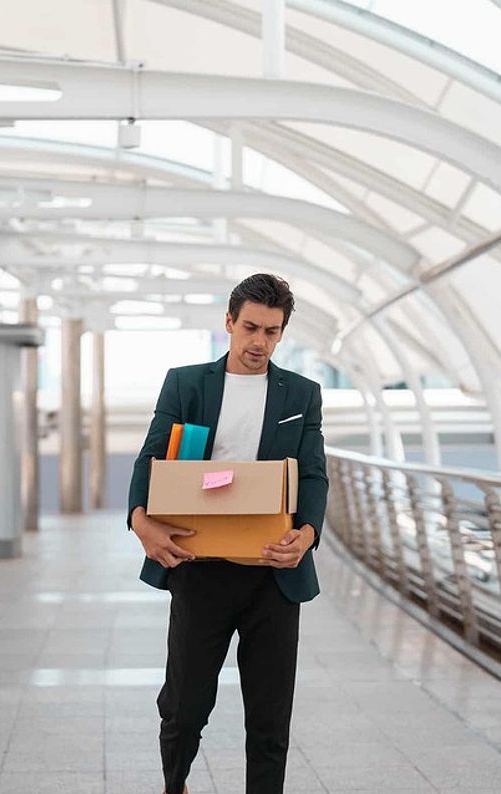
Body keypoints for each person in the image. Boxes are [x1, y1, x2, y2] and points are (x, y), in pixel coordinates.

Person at [127, 273, 328, 794]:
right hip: (201, 569)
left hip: (273, 575)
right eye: (251, 328)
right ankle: (176, 784)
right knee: (184, 707)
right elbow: (151, 457)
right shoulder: (187, 383)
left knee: (269, 717)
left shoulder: (302, 393)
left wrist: (306, 533)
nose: (259, 342)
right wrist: (140, 520)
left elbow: (312, 472)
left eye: (272, 331)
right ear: (229, 324)